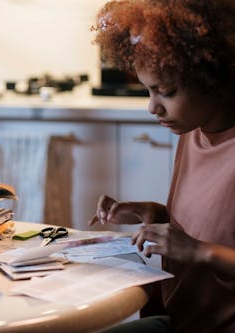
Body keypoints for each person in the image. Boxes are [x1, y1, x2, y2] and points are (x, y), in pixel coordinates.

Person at [88, 0, 234, 332]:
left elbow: (205, 247)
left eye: (165, 92)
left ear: (213, 77)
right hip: (184, 320)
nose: (153, 107)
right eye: (148, 90)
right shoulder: (192, 132)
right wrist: (154, 213)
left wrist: (199, 251)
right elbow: (216, 224)